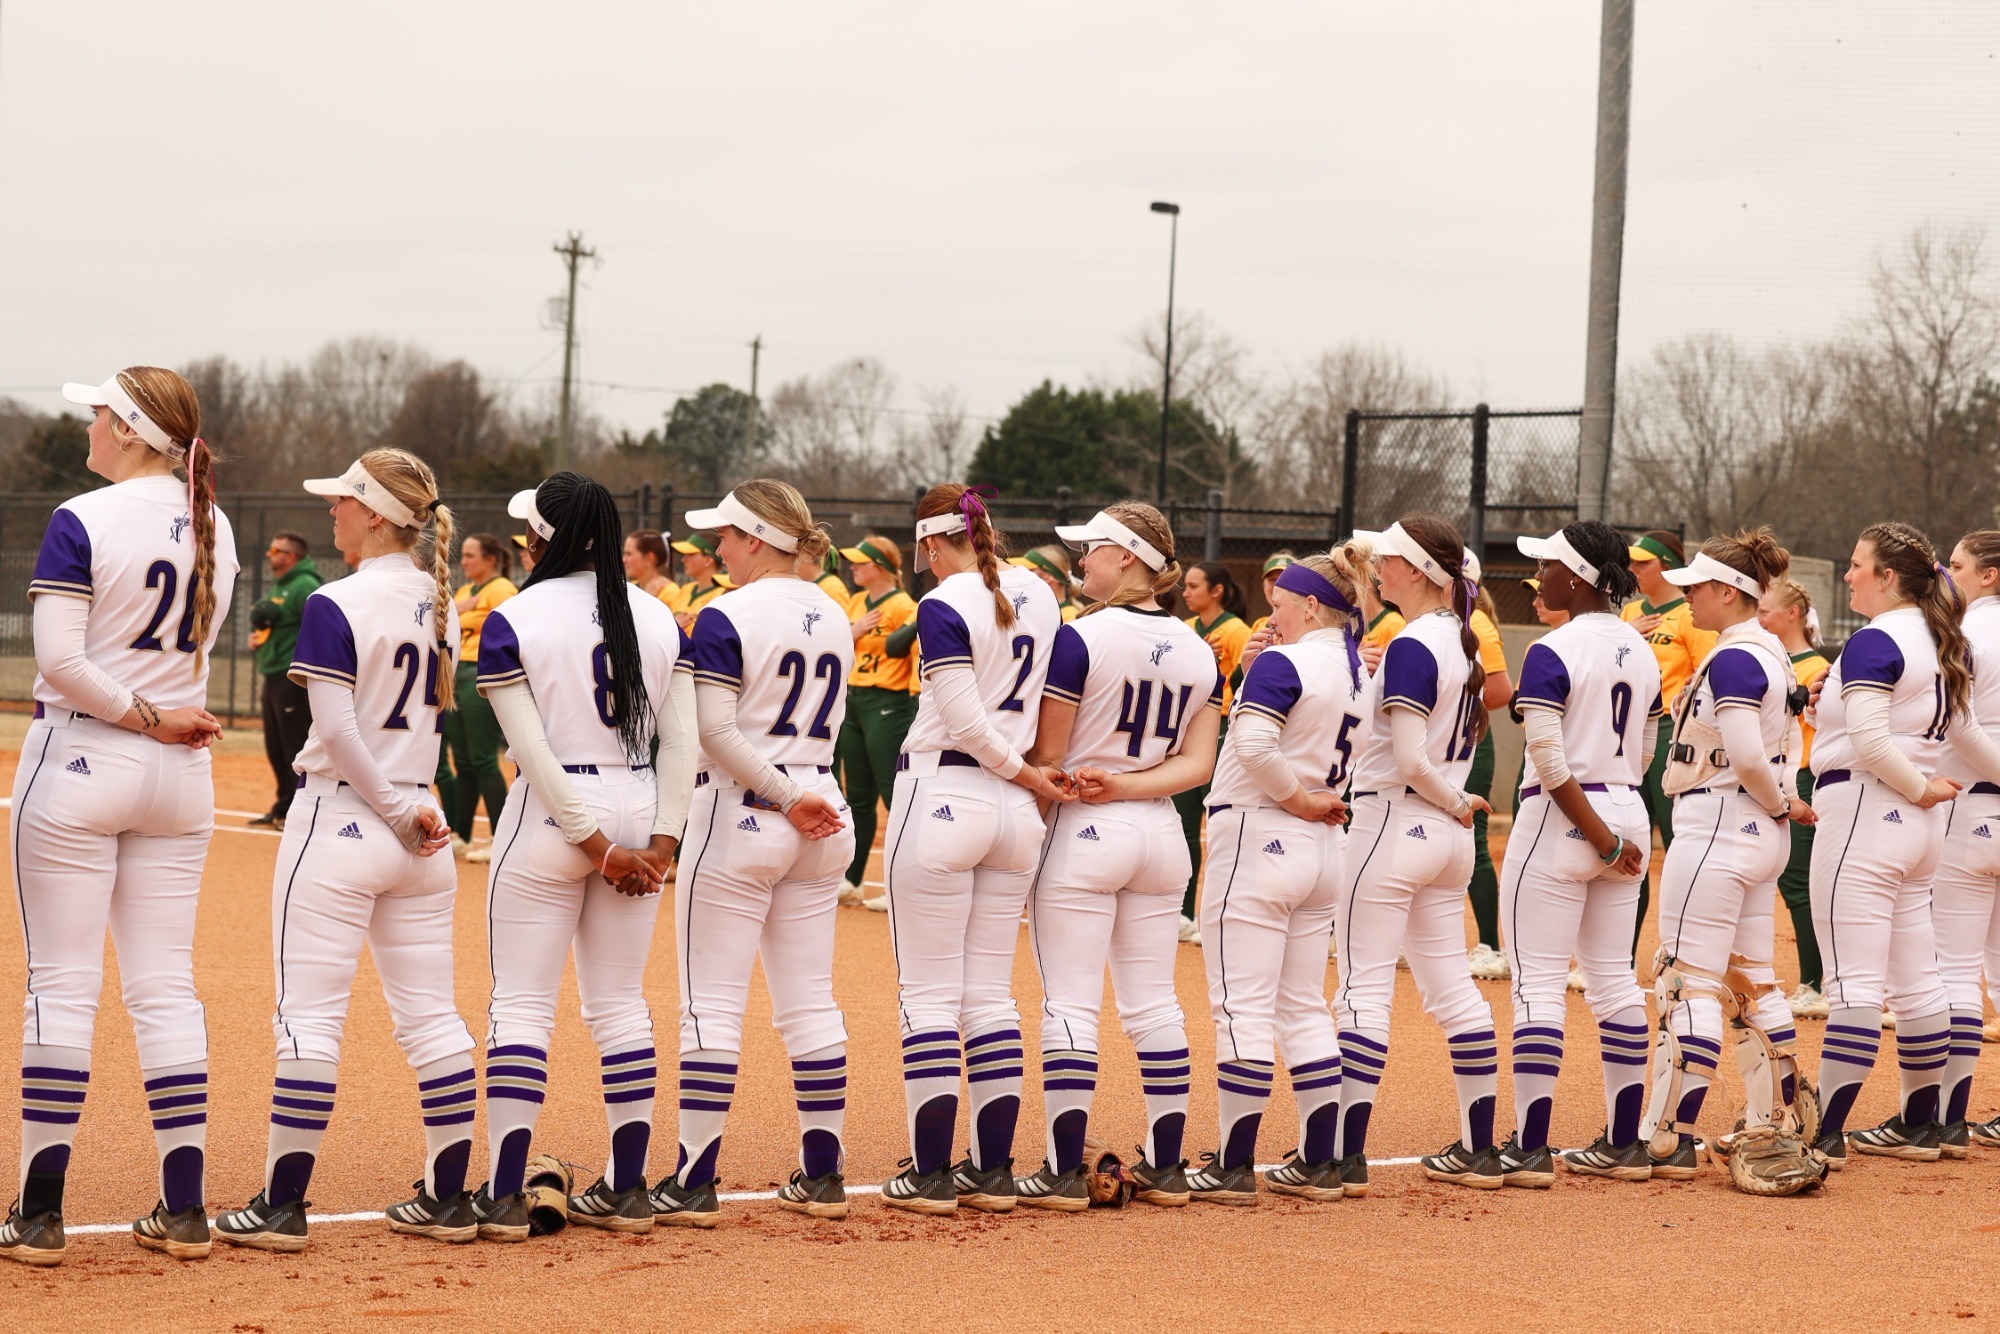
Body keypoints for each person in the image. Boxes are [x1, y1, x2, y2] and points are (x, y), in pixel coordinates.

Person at [214, 450, 477, 1251]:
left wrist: (391, 807)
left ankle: (283, 1206)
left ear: (373, 513)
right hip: (421, 827)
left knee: (309, 1020)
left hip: (345, 819)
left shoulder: (337, 600)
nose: (332, 513)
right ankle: (448, 1197)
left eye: (341, 502)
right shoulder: (444, 603)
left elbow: (334, 730)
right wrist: (407, 809)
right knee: (433, 1019)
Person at [1, 368, 234, 1268]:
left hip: (86, 758)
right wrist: (159, 718)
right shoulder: (212, 521)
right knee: (164, 986)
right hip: (181, 776)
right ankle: (184, 1209)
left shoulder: (84, 517)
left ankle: (39, 1212)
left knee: (61, 986)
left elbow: (59, 660)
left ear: (133, 431)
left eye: (99, 414)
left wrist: (140, 715)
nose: (88, 427)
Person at [470, 473, 692, 1238]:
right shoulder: (659, 614)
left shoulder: (515, 615)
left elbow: (530, 753)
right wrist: (659, 843)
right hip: (639, 803)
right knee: (621, 1003)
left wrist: (595, 846)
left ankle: (501, 1193)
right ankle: (628, 1188)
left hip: (558, 818)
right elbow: (683, 743)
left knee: (522, 1008)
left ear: (540, 538)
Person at [647, 483, 857, 1226]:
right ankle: (823, 1175)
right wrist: (797, 796)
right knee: (810, 1000)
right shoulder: (833, 608)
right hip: (824, 809)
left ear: (758, 539)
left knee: (712, 1004)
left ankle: (693, 1180)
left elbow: (714, 732)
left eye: (726, 539)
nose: (716, 552)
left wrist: (777, 793)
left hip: (745, 810)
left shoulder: (728, 612)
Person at [1012, 505, 1220, 1209]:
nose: (1083, 562)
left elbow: (1050, 755)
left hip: (1085, 829)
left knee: (1070, 1000)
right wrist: (1130, 785)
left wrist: (1028, 827)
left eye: (1094, 551)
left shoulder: (1081, 637)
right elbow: (1198, 764)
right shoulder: (1197, 648)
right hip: (1159, 832)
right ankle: (1165, 1166)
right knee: (1154, 1001)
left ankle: (1064, 1169)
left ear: (1129, 558)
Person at [878, 484, 1067, 1216]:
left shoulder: (944, 600)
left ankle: (929, 1174)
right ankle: (990, 1170)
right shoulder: (1042, 593)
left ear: (931, 543)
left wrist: (1023, 773)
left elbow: (960, 719)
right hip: (1013, 811)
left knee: (927, 995)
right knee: (989, 994)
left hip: (947, 793)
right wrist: (1029, 777)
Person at [1806, 523, 2000, 1168]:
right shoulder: (1941, 636)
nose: (1849, 575)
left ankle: (1824, 1132)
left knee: (1855, 982)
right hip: (1919, 828)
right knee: (1919, 981)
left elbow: (1869, 742)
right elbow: (1966, 739)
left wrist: (1917, 787)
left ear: (1888, 577)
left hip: (1870, 808)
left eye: (1858, 565)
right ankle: (1924, 1125)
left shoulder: (1878, 638)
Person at [1637, 529, 1822, 1191]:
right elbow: (1782, 749)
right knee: (1752, 983)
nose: (1687, 598)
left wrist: (1779, 802)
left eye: (1695, 588)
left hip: (1721, 825)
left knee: (1685, 979)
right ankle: (1775, 1121)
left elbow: (1746, 754)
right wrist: (1784, 802)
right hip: (1750, 833)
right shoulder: (1769, 651)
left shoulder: (1738, 658)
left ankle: (1665, 1135)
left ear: (1727, 592)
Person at [1184, 547, 1365, 1205]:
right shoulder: (1353, 670)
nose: (1273, 613)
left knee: (1242, 1005)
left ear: (1313, 604)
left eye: (1283, 602)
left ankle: (1233, 1164)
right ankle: (1321, 1160)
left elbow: (1256, 748)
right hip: (1320, 847)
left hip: (1264, 832)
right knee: (1300, 1005)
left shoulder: (1289, 660)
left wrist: (1295, 797)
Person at [1331, 516, 1499, 1193]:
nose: (1378, 568)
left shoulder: (1413, 642)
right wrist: (1457, 806)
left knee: (1361, 988)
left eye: (1391, 560)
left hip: (1396, 822)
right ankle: (1480, 1147)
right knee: (1452, 988)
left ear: (1424, 573)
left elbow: (1407, 759)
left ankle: (1339, 1155)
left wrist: (1454, 801)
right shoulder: (1459, 641)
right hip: (1444, 839)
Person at [1494, 521, 1659, 1187]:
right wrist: (1614, 830)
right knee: (1615, 979)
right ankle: (1624, 1142)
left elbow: (1548, 758)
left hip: (1567, 817)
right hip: (1627, 804)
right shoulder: (1642, 649)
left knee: (1537, 982)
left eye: (1550, 568)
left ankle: (1530, 1147)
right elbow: (1643, 752)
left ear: (1580, 578)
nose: (1542, 579)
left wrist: (1596, 834)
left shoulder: (1552, 647)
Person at [1623, 531, 1717, 952]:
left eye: (1643, 563)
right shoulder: (1628, 611)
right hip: (1626, 732)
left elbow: (1706, 677)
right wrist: (1628, 637)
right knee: (1629, 843)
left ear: (1665, 566)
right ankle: (1618, 957)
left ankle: (1689, 949)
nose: (1634, 570)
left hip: (1667, 731)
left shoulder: (1687, 615)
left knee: (1678, 842)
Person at [1938, 531, 2000, 1151]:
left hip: (1973, 806)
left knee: (1954, 968)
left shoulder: (1968, 636)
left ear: (1990, 575)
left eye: (1957, 566)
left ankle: (1946, 1118)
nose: (1947, 575)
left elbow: (1956, 728)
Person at [1758, 578, 1832, 1017]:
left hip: (1801, 778)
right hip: (1776, 776)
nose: (1760, 617)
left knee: (1799, 882)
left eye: (1766, 611)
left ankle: (1814, 982)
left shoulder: (1814, 666)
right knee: (1786, 879)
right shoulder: (1772, 659)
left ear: (1792, 615)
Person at [835, 536, 919, 906]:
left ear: (881, 567)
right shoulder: (855, 601)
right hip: (853, 700)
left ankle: (902, 884)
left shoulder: (904, 605)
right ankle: (852, 880)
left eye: (861, 562)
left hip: (888, 703)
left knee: (893, 793)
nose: (853, 568)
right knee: (858, 797)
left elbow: (908, 654)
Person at [1172, 561, 1251, 945]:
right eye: (1184, 586)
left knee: (1220, 823)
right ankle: (1184, 913)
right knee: (1184, 825)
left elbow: (1246, 681)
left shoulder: (1236, 630)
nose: (1186, 593)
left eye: (1193, 585)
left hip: (1221, 725)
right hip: (1187, 725)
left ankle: (1219, 915)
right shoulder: (1187, 630)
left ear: (1216, 590)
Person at [445, 535, 517, 863]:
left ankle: (501, 836)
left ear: (490, 559)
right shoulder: (463, 592)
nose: (465, 561)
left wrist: (456, 615)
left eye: (472, 556)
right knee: (462, 760)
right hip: (454, 673)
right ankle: (460, 835)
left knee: (484, 758)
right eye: (464, 555)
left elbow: (507, 630)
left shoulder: (500, 588)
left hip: (479, 673)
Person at [1463, 555, 1516, 981]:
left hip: (1470, 741)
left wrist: (1455, 707)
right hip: (1444, 743)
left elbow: (1501, 691)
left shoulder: (1476, 624)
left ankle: (1490, 946)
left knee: (1472, 842)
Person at [247, 531, 321, 830]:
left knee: (294, 745)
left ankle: (298, 810)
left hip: (291, 676)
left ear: (291, 557)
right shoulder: (282, 585)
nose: (269, 554)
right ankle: (282, 806)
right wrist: (260, 638)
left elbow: (317, 627)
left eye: (275, 550)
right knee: (276, 745)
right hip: (273, 670)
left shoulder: (305, 585)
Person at [670, 531, 731, 632]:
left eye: (690, 554)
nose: (683, 560)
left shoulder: (724, 593)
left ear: (708, 560)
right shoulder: (686, 589)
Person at [1013, 546, 1082, 621]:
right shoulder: (1034, 611)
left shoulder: (1070, 616)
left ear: (1048, 577)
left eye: (1030, 570)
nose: (1022, 574)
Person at [623, 529, 675, 600]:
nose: (624, 560)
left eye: (629, 554)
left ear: (649, 558)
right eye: (624, 554)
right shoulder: (630, 587)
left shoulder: (670, 592)